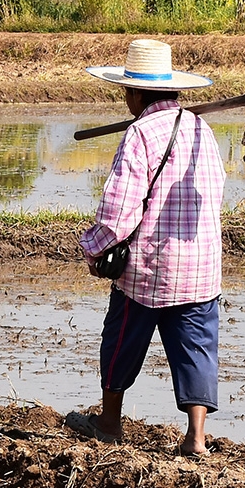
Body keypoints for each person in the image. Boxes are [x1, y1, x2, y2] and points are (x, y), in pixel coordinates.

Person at [65, 39, 224, 458]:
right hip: (202, 267)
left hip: (150, 271)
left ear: (135, 93)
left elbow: (119, 211)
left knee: (121, 340)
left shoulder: (139, 134)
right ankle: (196, 437)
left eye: (126, 92)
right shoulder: (200, 128)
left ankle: (109, 423)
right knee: (197, 349)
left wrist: (94, 250)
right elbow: (215, 191)